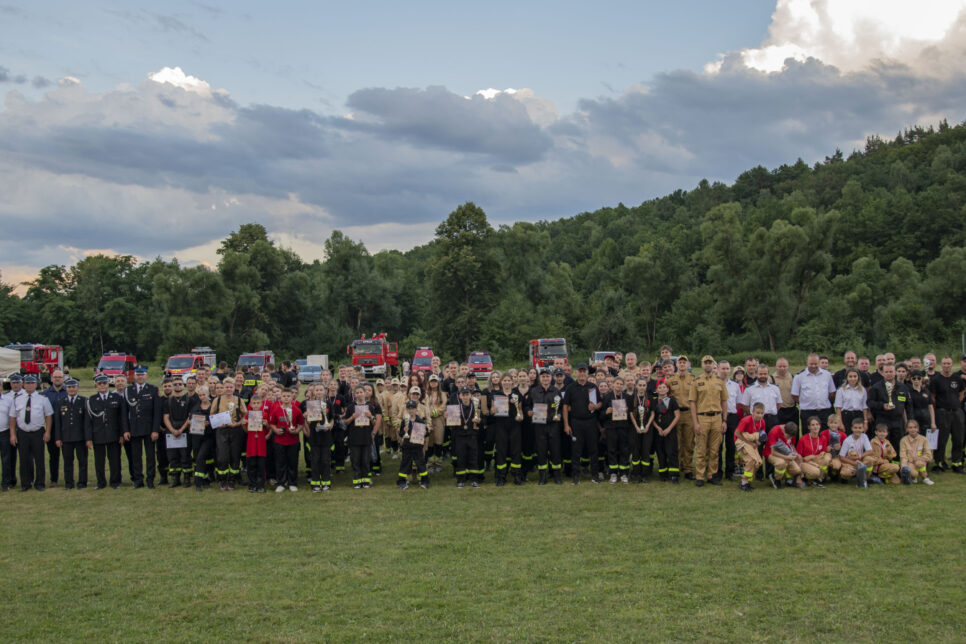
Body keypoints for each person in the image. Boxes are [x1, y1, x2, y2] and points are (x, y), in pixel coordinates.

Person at [8, 374, 55, 491]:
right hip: (22, 433)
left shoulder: (43, 399)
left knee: (39, 459)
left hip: (37, 432)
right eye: (27, 383)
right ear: (23, 385)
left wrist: (47, 432)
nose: (29, 385)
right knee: (23, 459)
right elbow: (13, 418)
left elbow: (49, 416)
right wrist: (13, 434)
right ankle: (25, 483)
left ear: (36, 384)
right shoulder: (17, 399)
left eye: (32, 383)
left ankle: (39, 483)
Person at [689, 355, 728, 487]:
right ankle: (700, 476)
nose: (708, 365)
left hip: (717, 417)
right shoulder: (696, 381)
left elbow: (724, 401)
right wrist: (695, 423)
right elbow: (693, 403)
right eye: (705, 363)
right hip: (702, 417)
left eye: (710, 363)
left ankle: (712, 475)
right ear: (702, 365)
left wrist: (724, 420)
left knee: (715, 450)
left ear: (713, 365)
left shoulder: (719, 381)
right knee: (700, 449)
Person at [86, 374, 127, 490]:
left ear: (108, 384)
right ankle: (101, 482)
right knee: (99, 461)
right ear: (96, 386)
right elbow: (88, 421)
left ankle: (115, 482)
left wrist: (121, 434)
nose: (102, 386)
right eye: (100, 384)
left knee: (114, 460)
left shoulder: (117, 398)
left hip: (113, 434)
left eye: (104, 383)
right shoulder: (91, 400)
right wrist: (88, 438)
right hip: (98, 434)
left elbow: (121, 418)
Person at [563, 363, 602, 485]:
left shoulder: (593, 387)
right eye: (580, 371)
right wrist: (566, 425)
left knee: (593, 449)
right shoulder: (570, 387)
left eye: (584, 371)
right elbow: (565, 407)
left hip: (591, 421)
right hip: (576, 422)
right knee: (576, 450)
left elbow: (600, 403)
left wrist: (595, 406)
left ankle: (595, 475)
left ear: (587, 373)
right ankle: (576, 476)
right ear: (576, 373)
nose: (582, 373)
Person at [124, 367, 162, 489]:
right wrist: (126, 430)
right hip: (134, 428)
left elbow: (157, 412)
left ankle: (150, 480)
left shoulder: (152, 389)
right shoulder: (128, 390)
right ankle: (138, 480)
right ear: (134, 376)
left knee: (150, 456)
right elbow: (124, 414)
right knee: (136, 456)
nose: (140, 377)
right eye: (138, 375)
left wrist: (155, 430)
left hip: (148, 428)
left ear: (146, 376)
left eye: (142, 375)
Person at [486, 373, 524, 486]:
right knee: (501, 451)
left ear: (512, 382)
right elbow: (492, 410)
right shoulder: (496, 395)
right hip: (501, 426)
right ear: (501, 382)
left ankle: (516, 475)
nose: (507, 383)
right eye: (505, 381)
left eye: (509, 381)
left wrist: (521, 417)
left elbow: (520, 411)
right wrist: (493, 410)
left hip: (515, 426)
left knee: (516, 451)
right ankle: (501, 476)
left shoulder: (517, 395)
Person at [528, 369, 563, 485]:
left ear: (551, 378)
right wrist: (529, 411)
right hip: (539, 426)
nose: (545, 378)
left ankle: (557, 475)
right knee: (541, 451)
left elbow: (561, 408)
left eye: (547, 376)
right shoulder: (533, 391)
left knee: (555, 450)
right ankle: (542, 476)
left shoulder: (556, 391)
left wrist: (559, 415)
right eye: (543, 376)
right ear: (540, 378)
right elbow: (527, 406)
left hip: (553, 425)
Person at [930, 356, 964, 473]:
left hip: (956, 413)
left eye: (948, 363)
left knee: (958, 438)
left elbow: (962, 392)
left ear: (952, 364)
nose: (946, 366)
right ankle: (939, 463)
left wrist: (955, 405)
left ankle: (957, 463)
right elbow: (933, 397)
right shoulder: (936, 380)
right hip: (942, 413)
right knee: (942, 439)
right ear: (941, 365)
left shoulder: (957, 378)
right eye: (944, 364)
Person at [53, 377, 88, 490]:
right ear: (66, 388)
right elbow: (58, 422)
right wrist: (58, 438)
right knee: (68, 462)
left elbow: (87, 422)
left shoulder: (84, 401)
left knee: (82, 461)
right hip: (66, 437)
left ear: (77, 388)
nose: (71, 389)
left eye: (73, 387)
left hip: (80, 437)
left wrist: (87, 438)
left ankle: (82, 482)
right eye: (69, 387)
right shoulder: (61, 402)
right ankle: (69, 483)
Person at [211, 379, 247, 490]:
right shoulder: (217, 400)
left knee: (235, 456)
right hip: (222, 431)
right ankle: (222, 480)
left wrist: (237, 424)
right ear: (223, 388)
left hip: (235, 431)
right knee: (222, 456)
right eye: (226, 387)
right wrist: (218, 423)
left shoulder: (239, 400)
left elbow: (245, 415)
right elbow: (212, 415)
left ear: (234, 388)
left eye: (231, 387)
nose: (228, 389)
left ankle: (231, 480)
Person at [866, 363, 909, 453]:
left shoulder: (903, 387)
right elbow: (870, 402)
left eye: (891, 371)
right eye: (886, 372)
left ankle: (896, 465)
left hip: (898, 421)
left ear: (895, 373)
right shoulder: (876, 387)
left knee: (898, 445)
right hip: (883, 421)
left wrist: (908, 421)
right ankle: (884, 465)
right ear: (882, 373)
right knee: (883, 446)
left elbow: (908, 405)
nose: (889, 373)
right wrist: (882, 406)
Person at [269, 387, 304, 492]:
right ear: (280, 397)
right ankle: (281, 483)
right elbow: (272, 423)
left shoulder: (296, 410)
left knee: (292, 462)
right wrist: (275, 430)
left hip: (293, 441)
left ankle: (292, 482)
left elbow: (301, 424)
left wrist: (297, 430)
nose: (286, 398)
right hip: (280, 441)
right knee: (280, 462)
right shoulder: (276, 410)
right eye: (284, 396)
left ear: (291, 397)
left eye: (288, 396)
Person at [666, 355, 695, 479]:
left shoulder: (694, 379)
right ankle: (675, 467)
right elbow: (665, 397)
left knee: (689, 443)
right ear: (676, 365)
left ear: (688, 364)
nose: (682, 364)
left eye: (684, 362)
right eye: (680, 362)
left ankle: (688, 469)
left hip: (689, 414)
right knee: (676, 443)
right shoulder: (670, 380)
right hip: (676, 415)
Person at [345, 385, 379, 489]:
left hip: (366, 438)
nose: (359, 394)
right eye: (357, 393)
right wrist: (352, 417)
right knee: (355, 460)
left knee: (365, 460)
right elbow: (346, 422)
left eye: (361, 392)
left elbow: (374, 422)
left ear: (365, 393)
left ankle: (365, 481)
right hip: (354, 438)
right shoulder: (351, 407)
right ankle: (357, 480)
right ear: (354, 395)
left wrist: (370, 416)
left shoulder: (369, 406)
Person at [791, 353, 836, 430]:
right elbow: (794, 395)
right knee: (808, 437)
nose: (813, 366)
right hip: (808, 412)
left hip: (824, 412)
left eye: (815, 364)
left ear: (819, 363)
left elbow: (832, 392)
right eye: (811, 364)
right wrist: (804, 402)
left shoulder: (827, 375)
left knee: (825, 437)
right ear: (807, 363)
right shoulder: (799, 377)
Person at [163, 378, 193, 488]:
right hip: (171, 431)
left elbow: (190, 417)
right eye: (175, 384)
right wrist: (172, 430)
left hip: (184, 430)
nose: (177, 386)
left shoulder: (189, 400)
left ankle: (187, 478)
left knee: (185, 456)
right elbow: (166, 417)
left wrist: (181, 429)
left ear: (183, 385)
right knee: (173, 456)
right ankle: (175, 478)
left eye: (180, 384)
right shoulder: (168, 401)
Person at [602, 376, 633, 483]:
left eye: (621, 384)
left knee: (624, 450)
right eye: (617, 383)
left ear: (623, 386)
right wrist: (606, 412)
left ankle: (624, 473)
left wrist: (628, 411)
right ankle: (613, 473)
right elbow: (601, 415)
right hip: (611, 428)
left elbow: (632, 415)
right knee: (612, 450)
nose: (619, 386)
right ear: (613, 385)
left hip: (624, 428)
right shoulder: (607, 397)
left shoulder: (627, 397)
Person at [649, 379, 680, 483]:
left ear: (667, 389)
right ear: (656, 390)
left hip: (670, 430)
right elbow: (652, 417)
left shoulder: (672, 400)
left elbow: (677, 416)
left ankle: (674, 474)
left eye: (664, 387)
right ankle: (663, 473)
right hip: (658, 431)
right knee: (660, 452)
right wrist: (658, 428)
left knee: (671, 451)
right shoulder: (654, 402)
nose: (662, 389)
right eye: (659, 388)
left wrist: (669, 429)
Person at [41, 368, 67, 486]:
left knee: (67, 455)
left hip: (66, 429)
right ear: (51, 379)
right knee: (53, 456)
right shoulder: (44, 395)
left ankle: (69, 478)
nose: (57, 379)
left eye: (60, 377)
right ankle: (54, 479)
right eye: (55, 377)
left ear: (63, 379)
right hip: (51, 429)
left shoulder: (68, 392)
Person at [451, 386, 481, 488]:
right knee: (461, 458)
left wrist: (479, 421)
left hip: (472, 436)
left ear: (470, 396)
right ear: (459, 396)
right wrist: (449, 417)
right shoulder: (455, 408)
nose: (465, 397)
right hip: (460, 437)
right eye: (463, 395)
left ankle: (474, 479)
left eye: (467, 394)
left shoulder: (476, 407)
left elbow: (483, 421)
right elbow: (451, 425)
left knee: (473, 457)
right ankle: (461, 480)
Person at [733, 402, 766, 491]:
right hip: (741, 440)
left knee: (758, 462)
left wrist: (757, 442)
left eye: (761, 413)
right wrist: (750, 443)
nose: (759, 415)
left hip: (751, 441)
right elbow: (737, 433)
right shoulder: (746, 420)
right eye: (757, 413)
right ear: (752, 412)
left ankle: (748, 482)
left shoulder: (762, 422)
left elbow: (759, 435)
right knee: (751, 459)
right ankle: (743, 482)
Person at [397, 400, 430, 489]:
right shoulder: (404, 421)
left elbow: (427, 433)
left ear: (416, 410)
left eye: (413, 408)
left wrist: (425, 432)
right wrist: (404, 431)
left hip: (418, 446)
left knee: (421, 463)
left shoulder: (420, 421)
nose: (411, 411)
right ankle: (402, 481)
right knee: (405, 463)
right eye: (409, 409)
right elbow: (400, 434)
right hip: (407, 446)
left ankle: (425, 481)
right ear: (407, 410)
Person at [764, 422, 807, 489]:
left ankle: (789, 480)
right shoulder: (774, 431)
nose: (789, 438)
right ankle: (776, 479)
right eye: (788, 436)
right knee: (781, 463)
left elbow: (792, 445)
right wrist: (787, 457)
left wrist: (796, 454)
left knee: (797, 470)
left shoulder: (791, 432)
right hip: (770, 453)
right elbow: (773, 452)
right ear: (784, 430)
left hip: (786, 453)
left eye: (791, 437)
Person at [245, 386, 272, 493]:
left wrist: (267, 425)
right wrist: (243, 424)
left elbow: (270, 427)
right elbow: (246, 430)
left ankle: (260, 485)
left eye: (258, 403)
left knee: (261, 466)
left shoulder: (264, 415)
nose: (256, 405)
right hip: (251, 443)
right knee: (251, 465)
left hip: (261, 443)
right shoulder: (248, 415)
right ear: (251, 404)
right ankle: (252, 485)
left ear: (261, 404)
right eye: (254, 403)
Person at [188, 385, 215, 491]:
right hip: (196, 436)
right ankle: (204, 479)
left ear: (208, 394)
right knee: (198, 458)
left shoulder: (213, 405)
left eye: (204, 394)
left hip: (208, 436)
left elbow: (218, 419)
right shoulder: (195, 406)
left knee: (201, 457)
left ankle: (198, 481)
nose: (202, 397)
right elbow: (190, 418)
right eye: (200, 395)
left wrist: (210, 423)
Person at [0, 374, 23, 490]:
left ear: (1, 387)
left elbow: (12, 417)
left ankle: (6, 483)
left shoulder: (8, 400)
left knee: (6, 459)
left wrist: (12, 433)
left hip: (4, 432)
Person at [630, 376, 654, 483]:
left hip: (647, 429)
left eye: (644, 385)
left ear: (646, 386)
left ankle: (645, 474)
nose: (642, 387)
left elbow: (653, 413)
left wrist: (648, 426)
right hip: (635, 429)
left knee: (645, 451)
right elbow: (630, 413)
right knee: (635, 452)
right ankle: (635, 474)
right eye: (640, 385)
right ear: (636, 386)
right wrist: (636, 427)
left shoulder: (650, 398)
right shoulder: (631, 398)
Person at [834, 368, 869, 438]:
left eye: (855, 376)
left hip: (859, 416)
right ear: (847, 378)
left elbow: (865, 407)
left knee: (859, 438)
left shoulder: (862, 390)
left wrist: (865, 422)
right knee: (847, 437)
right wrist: (840, 423)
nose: (853, 379)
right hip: (846, 416)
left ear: (858, 377)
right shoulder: (841, 390)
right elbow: (838, 408)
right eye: (850, 376)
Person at [839, 417, 873, 488]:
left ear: (863, 429)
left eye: (860, 428)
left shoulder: (864, 436)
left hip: (860, 460)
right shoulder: (847, 440)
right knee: (845, 473)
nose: (857, 430)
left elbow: (870, 451)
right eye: (855, 428)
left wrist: (860, 457)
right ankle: (846, 478)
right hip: (851, 462)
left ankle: (865, 479)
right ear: (852, 428)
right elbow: (841, 457)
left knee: (870, 459)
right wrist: (853, 463)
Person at [797, 416, 830, 487]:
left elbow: (823, 453)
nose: (815, 427)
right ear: (809, 427)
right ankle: (808, 478)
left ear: (820, 426)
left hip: (816, 461)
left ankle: (820, 478)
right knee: (815, 472)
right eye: (813, 425)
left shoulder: (823, 438)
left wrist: (813, 457)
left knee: (827, 457)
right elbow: (798, 456)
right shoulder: (803, 439)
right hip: (805, 462)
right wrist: (807, 459)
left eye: (817, 424)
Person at [899, 419, 934, 485]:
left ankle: (925, 478)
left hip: (920, 461)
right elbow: (903, 455)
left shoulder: (924, 439)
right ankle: (913, 477)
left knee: (919, 463)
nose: (913, 429)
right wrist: (904, 467)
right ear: (907, 429)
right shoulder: (903, 440)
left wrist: (921, 458)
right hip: (909, 462)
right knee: (914, 473)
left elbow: (929, 454)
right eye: (910, 427)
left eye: (915, 427)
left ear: (918, 429)